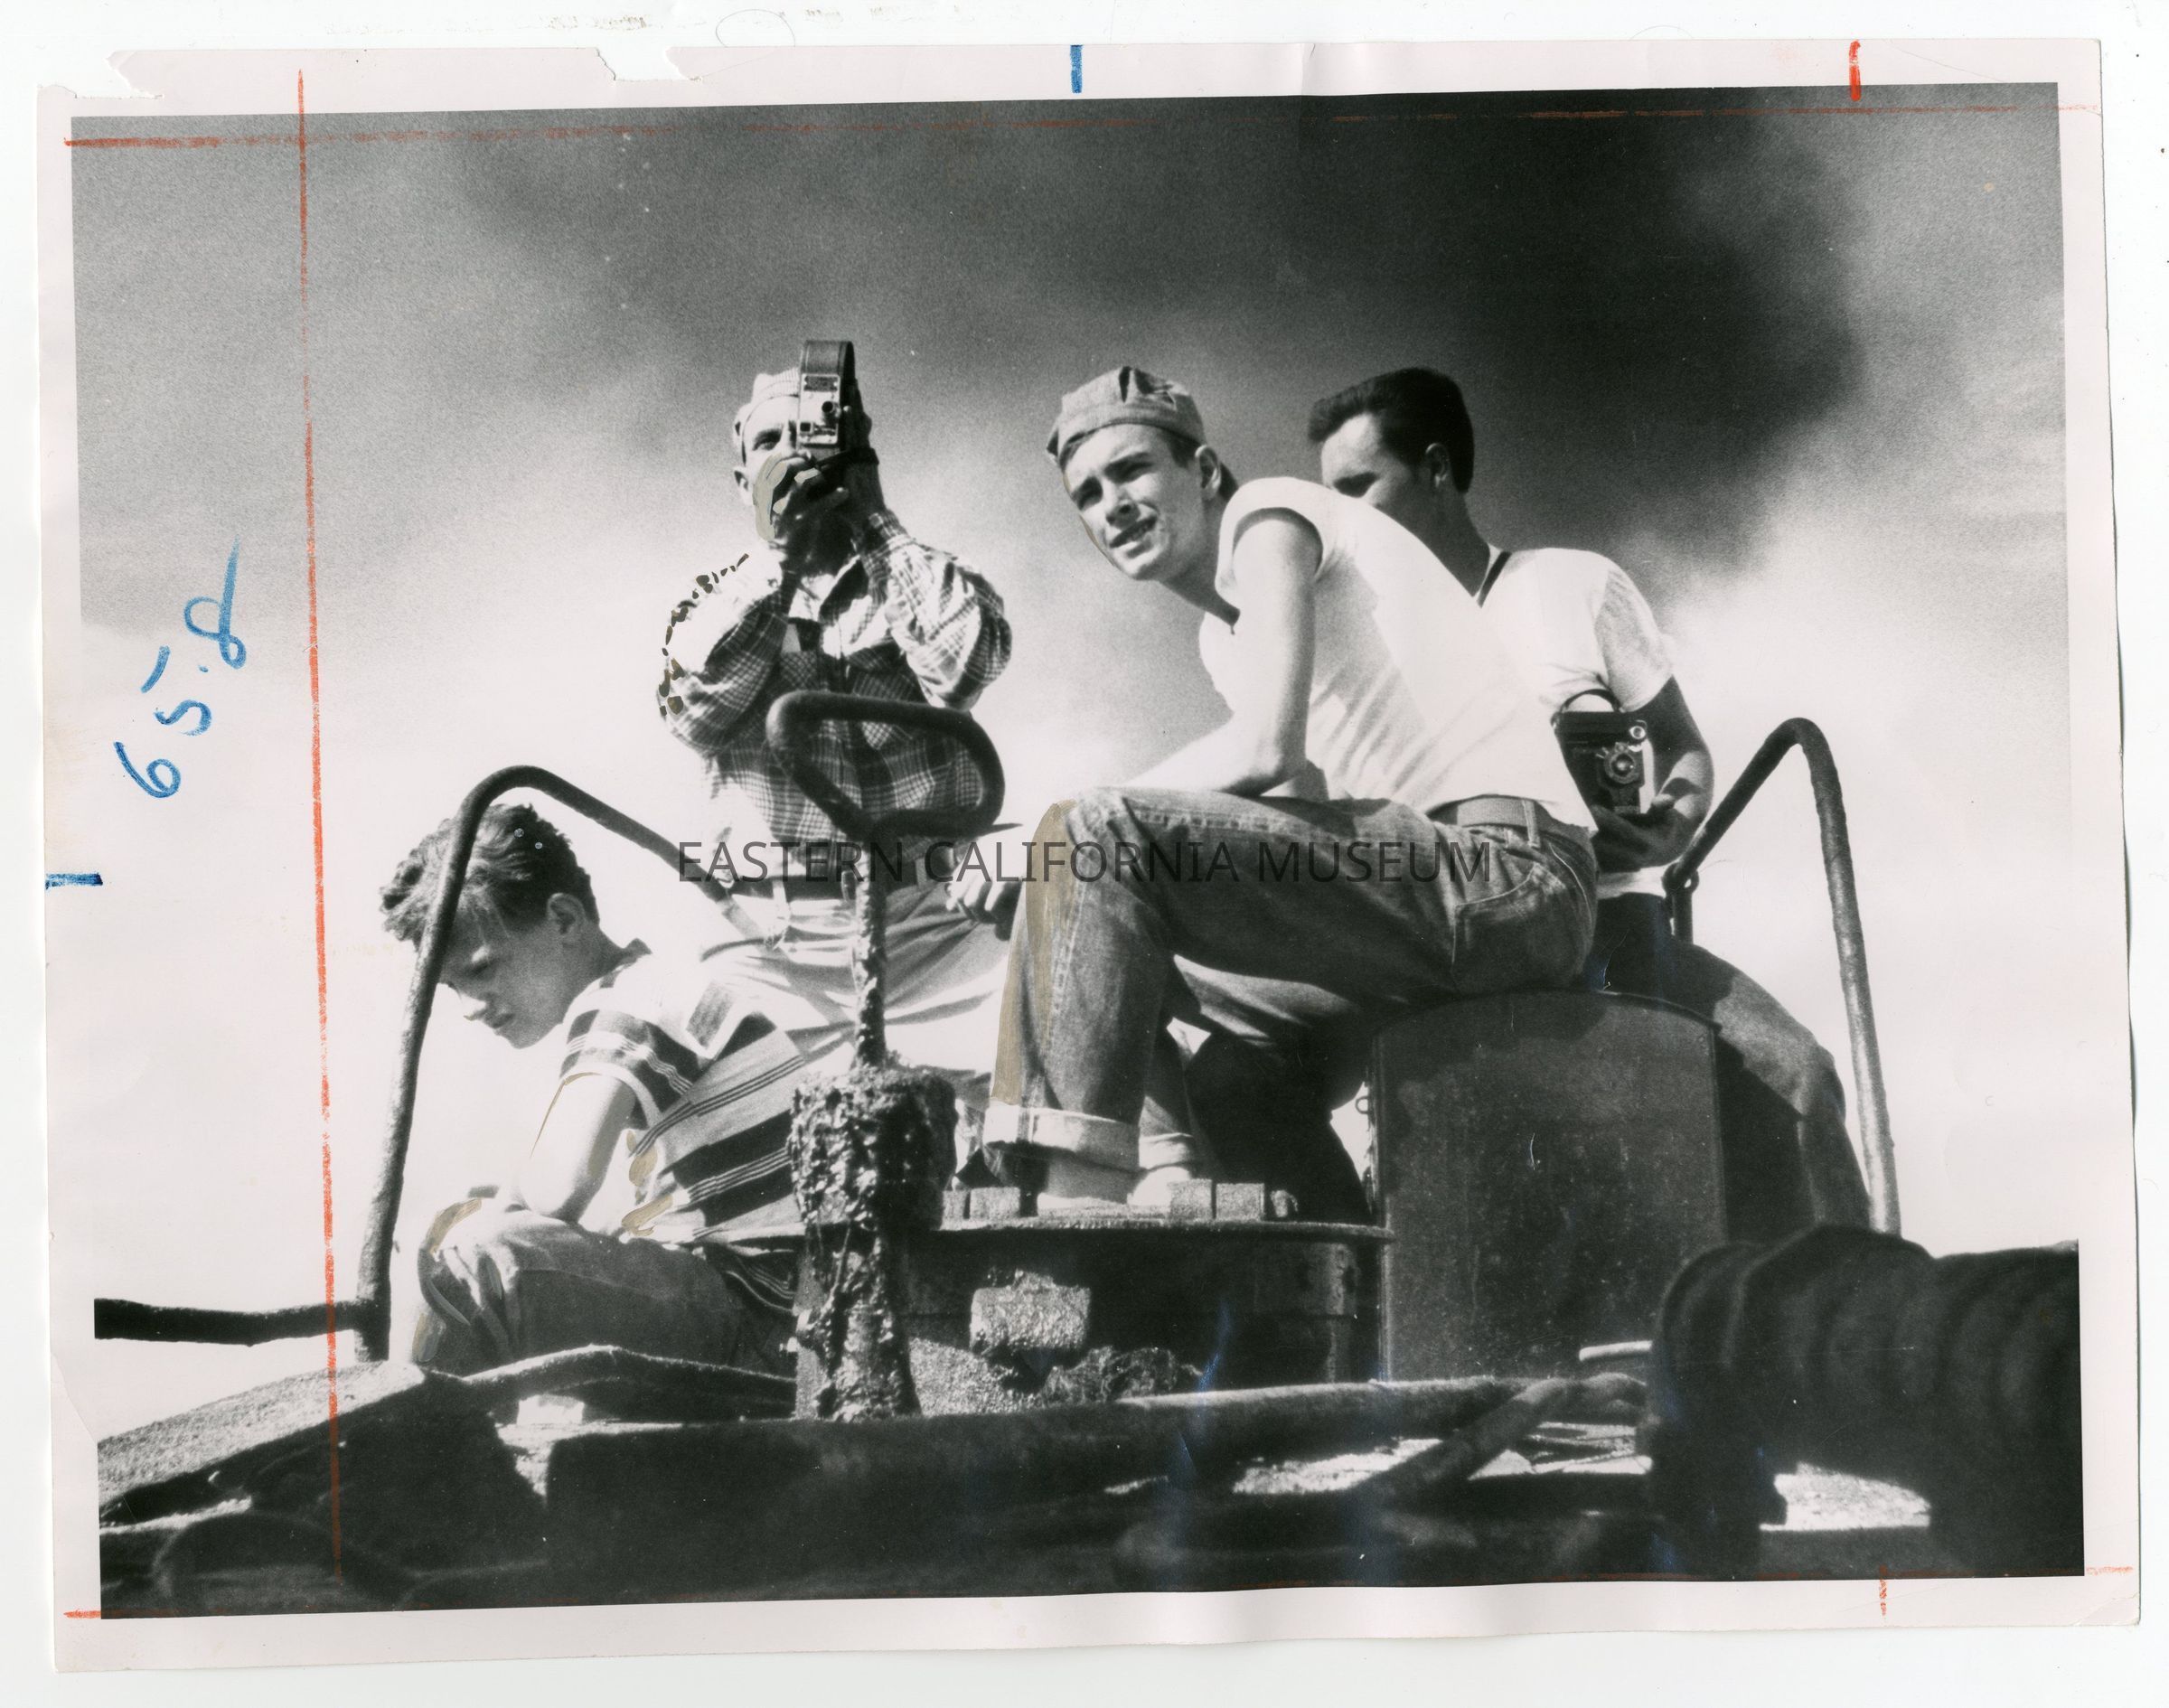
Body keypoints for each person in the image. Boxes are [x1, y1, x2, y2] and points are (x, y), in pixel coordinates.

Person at [955, 365, 1599, 1209]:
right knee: (1212, 1062)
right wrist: (1052, 886)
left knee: (1083, 837)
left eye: (1133, 470)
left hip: (1507, 874)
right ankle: (1246, 1222)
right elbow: (1283, 811)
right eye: (1088, 494)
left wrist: (1054, 842)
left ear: (1204, 470)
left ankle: (1078, 1202)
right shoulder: (1223, 642)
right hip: (1411, 905)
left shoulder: (1271, 519)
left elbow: (1265, 748)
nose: (1113, 505)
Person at [1309, 366, 1871, 1237]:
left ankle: (1835, 1304)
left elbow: (1681, 747)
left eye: (1357, 487)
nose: (1340, 516)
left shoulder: (1572, 585)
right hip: (1457, 955)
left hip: (1619, 934)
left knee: (1797, 1075)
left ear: (1437, 469)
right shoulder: (1353, 642)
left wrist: (1666, 827)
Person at [655, 360, 1015, 1153]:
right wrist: (780, 559)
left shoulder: (924, 575)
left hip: (930, 926)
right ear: (742, 481)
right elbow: (695, 715)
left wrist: (875, 517)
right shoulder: (714, 596)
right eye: (770, 443)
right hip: (767, 942)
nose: (795, 454)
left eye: (815, 434)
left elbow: (964, 669)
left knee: (1062, 1042)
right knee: (705, 1125)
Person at [385, 802, 803, 1375]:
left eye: (481, 969)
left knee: (469, 1260)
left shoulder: (629, 999)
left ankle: (395, 1419)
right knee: (473, 1237)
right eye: (452, 987)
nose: (469, 1007)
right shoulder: (651, 984)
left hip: (756, 1313)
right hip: (761, 1299)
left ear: (563, 919)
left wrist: (487, 1213)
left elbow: (561, 1189)